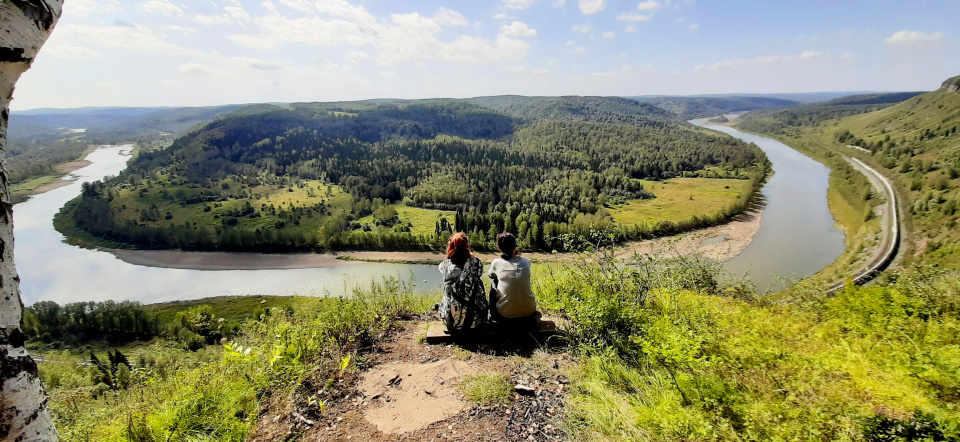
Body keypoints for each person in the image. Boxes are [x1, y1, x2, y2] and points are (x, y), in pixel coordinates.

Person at [437, 233, 489, 333]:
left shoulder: (444, 265)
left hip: (450, 321)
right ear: (467, 246)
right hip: (474, 321)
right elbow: (477, 273)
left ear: (450, 247)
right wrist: (473, 258)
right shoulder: (476, 263)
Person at [488, 232, 540, 329]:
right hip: (529, 314)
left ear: (499, 248)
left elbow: (490, 275)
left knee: (494, 282)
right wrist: (516, 255)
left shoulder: (496, 262)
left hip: (506, 317)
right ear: (515, 246)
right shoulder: (527, 262)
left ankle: (492, 315)